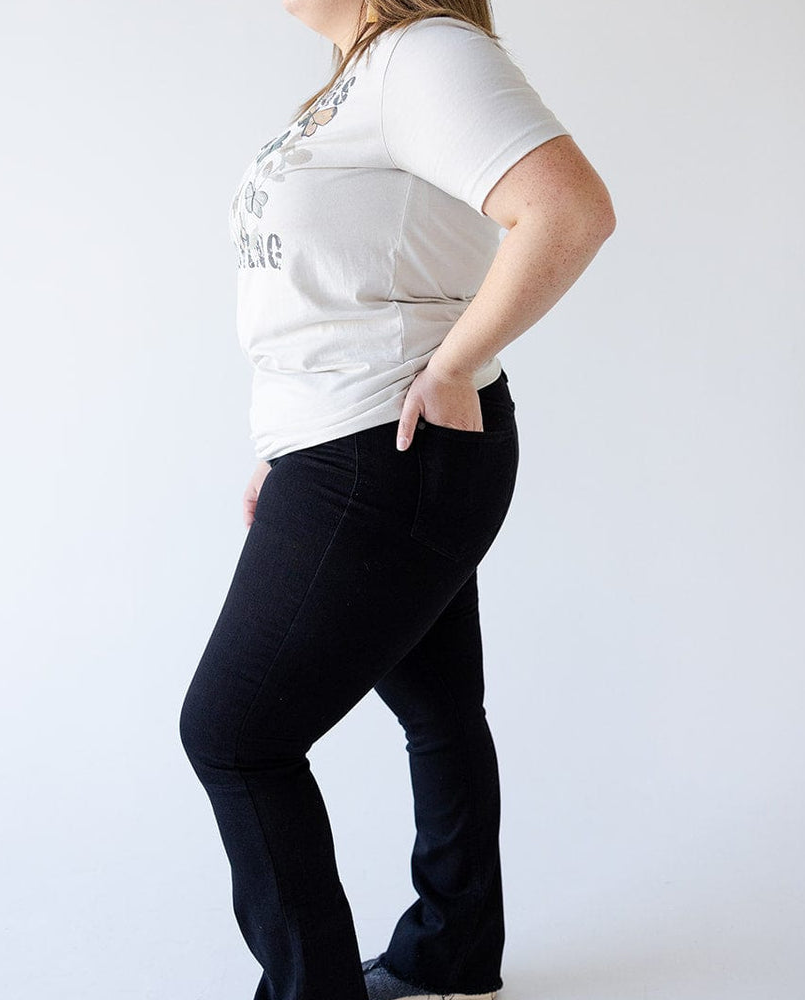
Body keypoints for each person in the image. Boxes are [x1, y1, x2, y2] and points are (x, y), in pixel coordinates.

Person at [179, 2, 616, 998]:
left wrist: (454, 365)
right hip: (348, 442)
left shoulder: (424, 57)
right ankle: (453, 951)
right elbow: (330, 287)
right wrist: (285, 438)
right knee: (438, 707)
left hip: (389, 446)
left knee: (234, 735)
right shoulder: (356, 79)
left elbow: (567, 206)